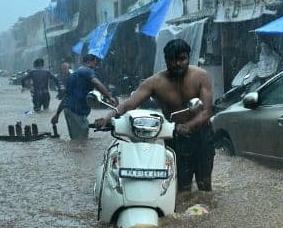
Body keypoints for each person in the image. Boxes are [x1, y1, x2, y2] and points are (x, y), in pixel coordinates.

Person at [96, 39, 214, 193]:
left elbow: (206, 111)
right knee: (181, 186)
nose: (178, 64)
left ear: (188, 57)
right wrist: (107, 117)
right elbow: (128, 104)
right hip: (175, 136)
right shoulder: (154, 83)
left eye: (182, 59)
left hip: (202, 135)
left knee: (204, 183)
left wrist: (187, 126)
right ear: (166, 60)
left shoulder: (201, 76)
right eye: (173, 60)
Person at [51, 54, 116, 140]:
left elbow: (66, 97)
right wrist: (109, 96)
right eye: (95, 64)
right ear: (88, 62)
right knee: (81, 141)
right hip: (76, 112)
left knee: (79, 141)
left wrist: (57, 114)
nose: (96, 67)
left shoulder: (73, 75)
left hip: (71, 111)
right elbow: (96, 83)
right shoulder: (87, 71)